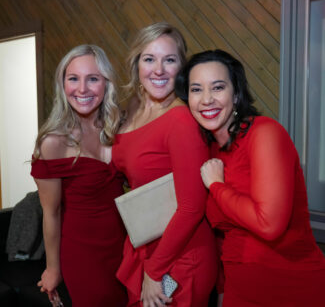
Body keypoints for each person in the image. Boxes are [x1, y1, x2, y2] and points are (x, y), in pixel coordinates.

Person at [175, 49, 325, 307]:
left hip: (291, 285)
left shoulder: (265, 134)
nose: (207, 99)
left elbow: (269, 225)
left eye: (218, 87)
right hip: (239, 289)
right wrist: (222, 289)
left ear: (236, 93)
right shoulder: (208, 151)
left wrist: (217, 186)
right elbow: (221, 234)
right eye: (196, 89)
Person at [112, 22, 219, 307]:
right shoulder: (133, 106)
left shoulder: (181, 121)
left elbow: (192, 207)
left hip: (179, 255)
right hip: (145, 243)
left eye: (169, 60)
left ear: (181, 68)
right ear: (137, 64)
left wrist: (154, 269)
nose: (158, 70)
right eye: (149, 59)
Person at [31, 44, 128, 307]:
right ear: (63, 85)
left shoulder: (118, 128)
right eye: (73, 78)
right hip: (85, 254)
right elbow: (50, 213)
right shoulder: (53, 143)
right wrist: (53, 268)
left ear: (106, 84)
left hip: (126, 248)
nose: (82, 89)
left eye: (93, 79)